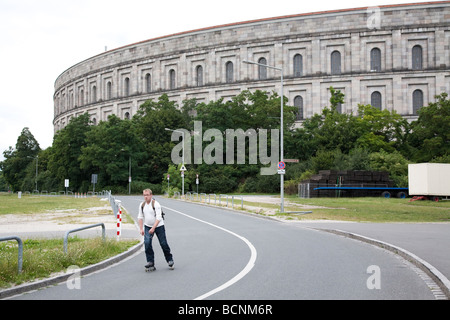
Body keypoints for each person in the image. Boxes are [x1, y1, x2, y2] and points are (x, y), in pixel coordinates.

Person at [138, 189, 174, 271]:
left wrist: (153, 228)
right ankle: (150, 262)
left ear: (151, 195)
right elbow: (140, 217)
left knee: (163, 243)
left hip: (159, 226)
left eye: (147, 195)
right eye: (144, 195)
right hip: (147, 226)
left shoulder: (156, 204)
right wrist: (141, 229)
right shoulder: (142, 205)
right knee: (147, 243)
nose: (145, 197)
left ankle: (169, 259)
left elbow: (158, 218)